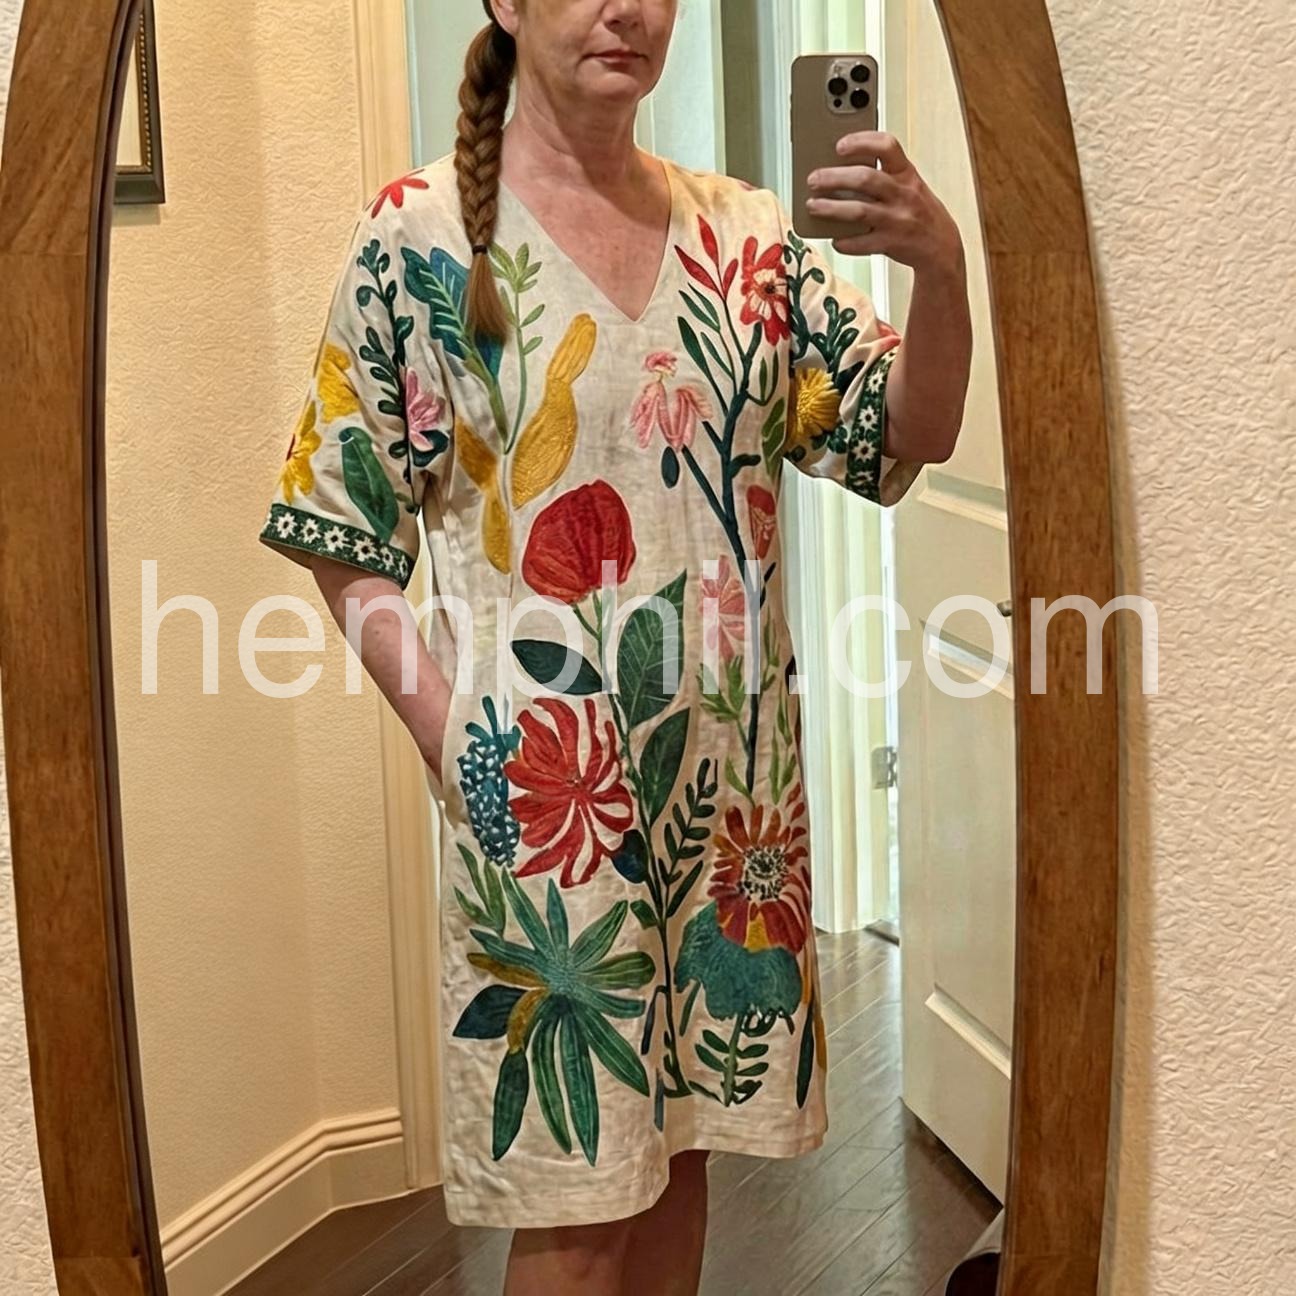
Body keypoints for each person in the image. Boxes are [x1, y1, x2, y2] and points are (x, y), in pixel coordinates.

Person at [258, 1, 971, 1291]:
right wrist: (453, 739)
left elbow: (907, 433)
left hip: (731, 812)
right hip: (551, 811)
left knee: (679, 1166)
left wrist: (942, 269)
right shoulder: (420, 238)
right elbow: (338, 525)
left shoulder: (746, 238)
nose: (628, 8)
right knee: (577, 1215)